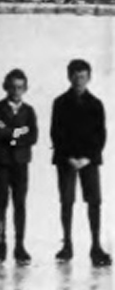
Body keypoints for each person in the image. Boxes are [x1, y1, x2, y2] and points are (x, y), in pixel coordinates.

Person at [50, 59, 110, 267]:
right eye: (75, 77)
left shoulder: (96, 104)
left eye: (83, 77)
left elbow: (100, 135)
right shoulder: (59, 103)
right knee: (66, 201)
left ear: (89, 78)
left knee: (94, 201)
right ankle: (67, 245)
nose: (79, 81)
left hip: (89, 161)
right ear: (69, 77)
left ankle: (96, 247)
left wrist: (87, 158)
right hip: (66, 160)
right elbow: (56, 133)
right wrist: (69, 157)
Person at [0, 68, 37, 266]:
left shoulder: (29, 111)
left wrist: (11, 133)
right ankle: (1, 245)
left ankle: (20, 245)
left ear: (25, 89)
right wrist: (18, 132)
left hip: (20, 162)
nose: (16, 91)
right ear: (6, 87)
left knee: (20, 204)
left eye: (20, 87)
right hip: (0, 162)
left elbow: (33, 135)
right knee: (1, 203)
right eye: (13, 87)